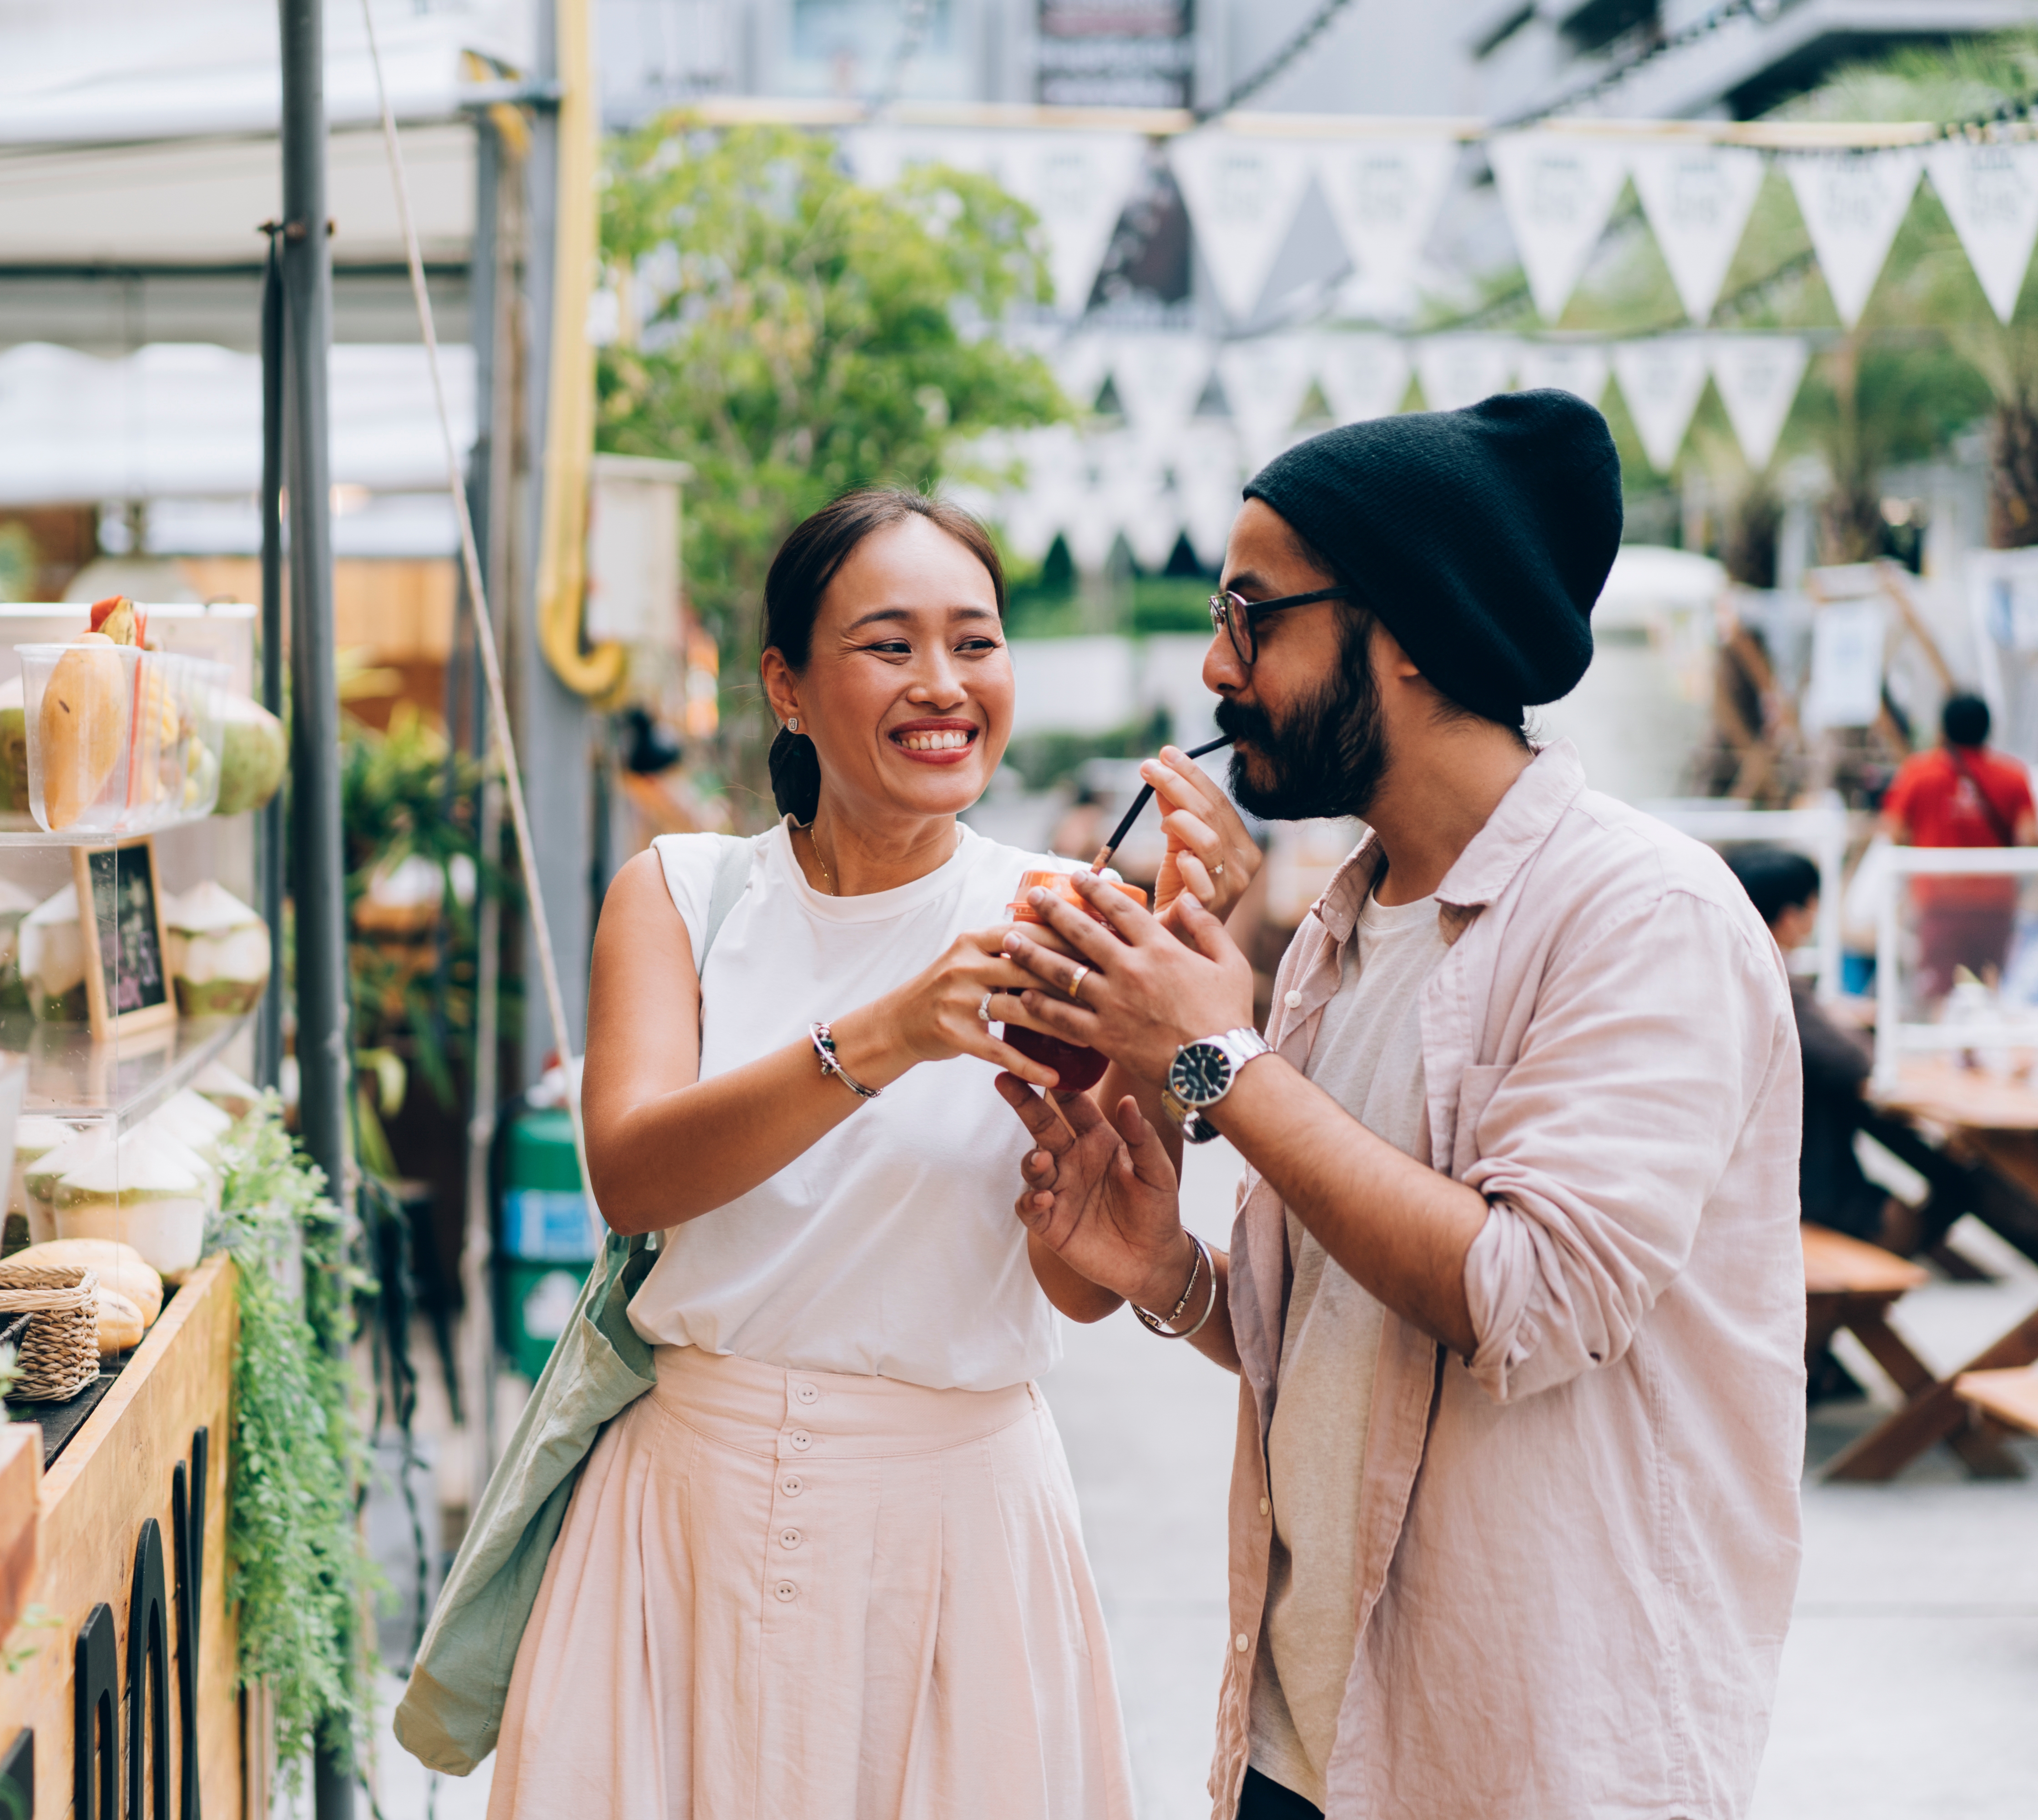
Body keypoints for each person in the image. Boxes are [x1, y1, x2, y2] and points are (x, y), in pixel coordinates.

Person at [988, 391, 1806, 1820]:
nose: (1211, 665)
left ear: (1411, 630)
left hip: (1534, 1752)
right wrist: (1168, 1272)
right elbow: (1328, 1336)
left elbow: (1523, 1294)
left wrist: (1211, 1060)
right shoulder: (1343, 928)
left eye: (1251, 618)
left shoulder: (1640, 914)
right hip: (1310, 1735)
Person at [486, 487, 1257, 1819]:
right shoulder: (678, 895)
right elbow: (630, 1173)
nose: (941, 683)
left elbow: (1078, 1281)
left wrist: (1155, 1056)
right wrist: (883, 1034)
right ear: (785, 685)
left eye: (975, 640)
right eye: (887, 644)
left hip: (957, 1525)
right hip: (686, 1512)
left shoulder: (1069, 924)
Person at [1724, 846, 1887, 1244]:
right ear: (1791, 916)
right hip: (1805, 1190)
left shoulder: (1732, 974)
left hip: (1749, 1180)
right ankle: (1859, 1305)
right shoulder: (1778, 987)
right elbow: (1856, 1062)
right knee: (1952, 1190)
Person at [1879, 693, 2035, 998]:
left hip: (1937, 902)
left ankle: (1945, 1045)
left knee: (1939, 991)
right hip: (1995, 903)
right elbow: (2029, 836)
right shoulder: (2012, 775)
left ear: (1944, 728)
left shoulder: (1919, 773)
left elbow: (1893, 829)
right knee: (1991, 986)